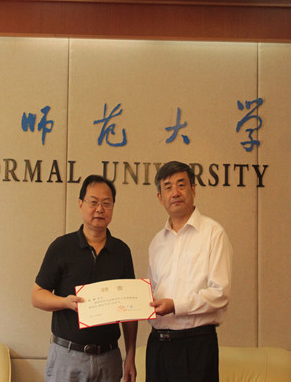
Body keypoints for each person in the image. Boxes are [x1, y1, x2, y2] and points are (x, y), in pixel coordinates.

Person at [32, 174, 138, 382]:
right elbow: (37, 296)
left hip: (109, 357)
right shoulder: (61, 247)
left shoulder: (121, 251)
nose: (100, 209)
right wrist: (65, 302)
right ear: (81, 204)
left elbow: (130, 310)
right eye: (93, 202)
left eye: (106, 203)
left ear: (113, 207)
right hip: (67, 356)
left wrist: (130, 355)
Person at [146, 161, 232, 382]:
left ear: (193, 189)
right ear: (160, 198)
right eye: (168, 187)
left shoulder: (213, 233)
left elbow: (220, 294)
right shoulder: (156, 242)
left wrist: (176, 305)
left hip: (195, 345)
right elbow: (153, 292)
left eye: (181, 185)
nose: (175, 192)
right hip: (157, 345)